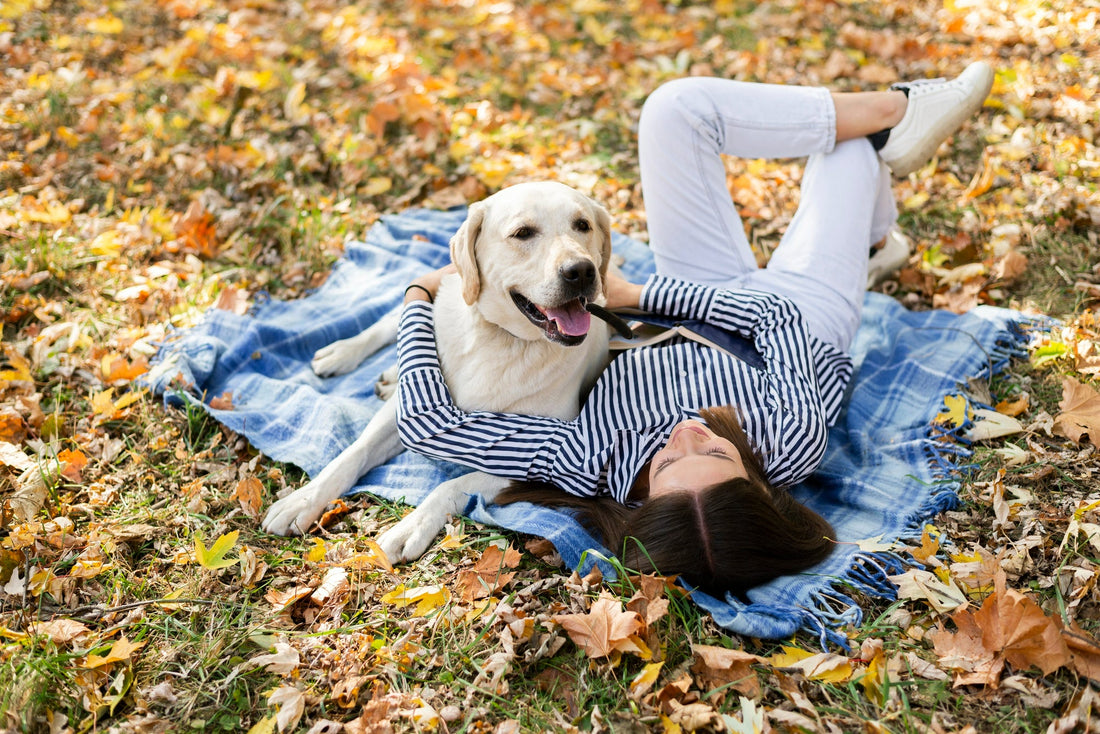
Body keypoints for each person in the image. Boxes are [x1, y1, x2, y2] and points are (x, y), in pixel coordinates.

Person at [395, 62, 995, 597]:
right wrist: (640, 293)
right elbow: (772, 317)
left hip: (685, 304)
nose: (685, 433)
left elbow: (428, 424)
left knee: (670, 110)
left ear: (642, 501)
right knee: (847, 149)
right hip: (800, 311)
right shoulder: (791, 440)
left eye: (665, 462)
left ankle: (880, 198)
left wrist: (420, 296)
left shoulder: (590, 460)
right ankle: (892, 142)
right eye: (714, 449)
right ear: (759, 484)